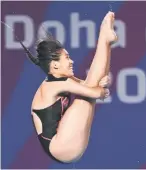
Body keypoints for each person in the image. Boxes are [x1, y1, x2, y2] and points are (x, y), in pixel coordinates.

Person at [20, 11, 117, 163]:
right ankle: (104, 37)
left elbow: (92, 88)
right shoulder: (53, 85)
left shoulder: (63, 80)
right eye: (67, 58)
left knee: (89, 88)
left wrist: (100, 88)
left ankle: (106, 39)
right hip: (61, 146)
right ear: (55, 65)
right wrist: (100, 89)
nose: (71, 61)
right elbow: (95, 92)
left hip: (64, 145)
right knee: (88, 93)